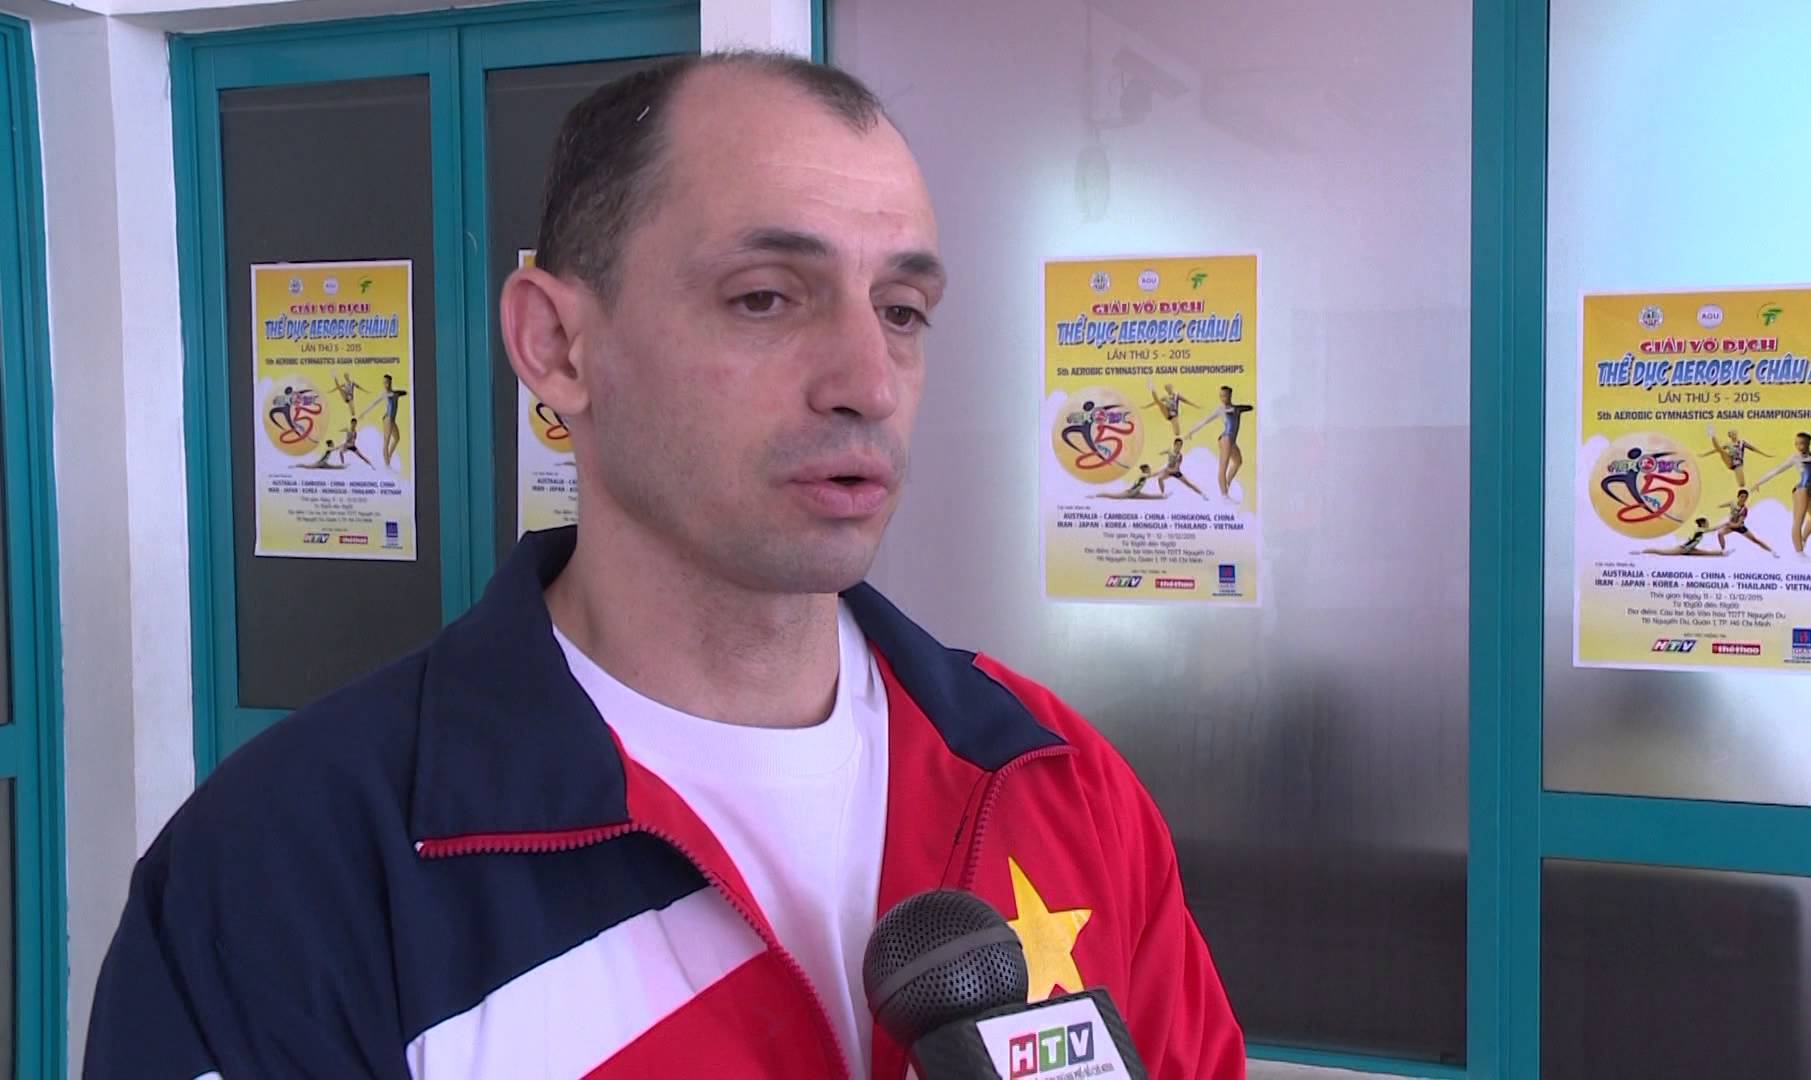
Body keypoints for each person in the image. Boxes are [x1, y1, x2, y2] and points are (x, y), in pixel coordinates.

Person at [85, 53, 1243, 1080]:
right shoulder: (287, 871)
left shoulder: (1054, 779)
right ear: (557, 346)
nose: (868, 382)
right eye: (765, 297)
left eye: (901, 310)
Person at [1753, 431, 1811, 559]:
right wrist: (1759, 482)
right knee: (1798, 521)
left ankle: (1802, 539)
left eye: (1801, 443)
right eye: (1796, 443)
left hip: (1809, 492)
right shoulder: (1795, 458)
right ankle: (1799, 553)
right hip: (1801, 491)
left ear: (1808, 443)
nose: (1798, 446)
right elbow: (1776, 470)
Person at [1188, 385, 1253, 499]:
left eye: (1225, 396)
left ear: (1230, 395)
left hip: (1232, 441)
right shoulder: (1220, 410)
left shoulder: (1236, 408)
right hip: (1225, 439)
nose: (1223, 398)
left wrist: (1240, 408)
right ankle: (1224, 495)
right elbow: (1205, 421)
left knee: (1238, 462)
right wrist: (1191, 432)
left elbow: (1250, 407)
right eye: (1221, 396)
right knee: (1223, 466)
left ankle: (1227, 483)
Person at [360, 372, 409, 466]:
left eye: (387, 382)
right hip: (388, 419)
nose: (385, 384)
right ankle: (387, 464)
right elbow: (373, 403)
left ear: (390, 382)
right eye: (384, 382)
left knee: (397, 438)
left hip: (392, 420)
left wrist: (400, 393)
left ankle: (388, 456)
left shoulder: (394, 393)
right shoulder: (384, 394)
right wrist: (364, 413)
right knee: (386, 442)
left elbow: (403, 392)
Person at [1701, 423, 1769, 489]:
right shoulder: (1728, 444)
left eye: (1734, 433)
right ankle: (1712, 435)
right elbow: (1716, 450)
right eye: (1732, 434)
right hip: (1730, 460)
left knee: (1742, 484)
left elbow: (1753, 448)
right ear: (1730, 436)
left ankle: (1713, 436)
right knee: (1721, 450)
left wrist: (1765, 454)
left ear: (1737, 434)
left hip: (1738, 464)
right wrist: (1705, 454)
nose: (1733, 435)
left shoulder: (1742, 442)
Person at [1714, 488, 1776, 556]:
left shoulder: (1744, 510)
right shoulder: (1732, 502)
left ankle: (1771, 551)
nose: (1743, 499)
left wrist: (1727, 524)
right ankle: (1723, 550)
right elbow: (1720, 505)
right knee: (1720, 534)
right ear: (1738, 497)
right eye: (1742, 496)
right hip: (1730, 525)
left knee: (1755, 540)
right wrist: (1716, 506)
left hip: (1739, 527)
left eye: (1745, 497)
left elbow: (1738, 524)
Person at [1636, 517, 1725, 556]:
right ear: (1702, 523)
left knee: (1706, 553)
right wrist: (1725, 524)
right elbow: (1713, 529)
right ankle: (1642, 552)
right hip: (1683, 548)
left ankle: (1721, 553)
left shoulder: (1700, 530)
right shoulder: (1700, 529)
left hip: (1689, 549)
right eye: (1707, 523)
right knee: (1663, 552)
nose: (1708, 524)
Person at [1091, 463, 1165, 499]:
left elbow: (1151, 475)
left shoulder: (1144, 475)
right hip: (1130, 492)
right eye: (1148, 469)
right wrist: (1162, 470)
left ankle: (1164, 496)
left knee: (1150, 497)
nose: (1150, 469)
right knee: (1113, 496)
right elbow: (1152, 475)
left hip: (1136, 493)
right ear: (1145, 470)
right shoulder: (1143, 475)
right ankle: (1096, 495)